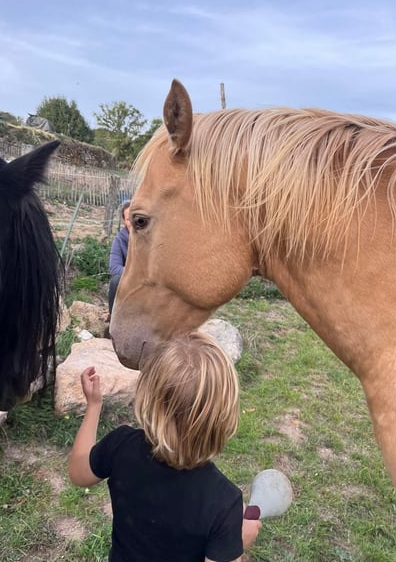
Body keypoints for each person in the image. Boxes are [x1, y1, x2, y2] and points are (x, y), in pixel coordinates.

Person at [68, 332, 262, 562]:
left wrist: (93, 407)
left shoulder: (121, 446)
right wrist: (236, 544)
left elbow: (78, 474)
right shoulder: (223, 503)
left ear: (148, 396)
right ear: (224, 418)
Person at [108, 200, 131, 316]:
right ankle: (113, 319)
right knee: (115, 281)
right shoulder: (119, 240)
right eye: (128, 219)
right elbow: (114, 268)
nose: (132, 222)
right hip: (130, 280)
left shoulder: (151, 239)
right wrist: (136, 273)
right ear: (124, 221)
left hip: (150, 282)